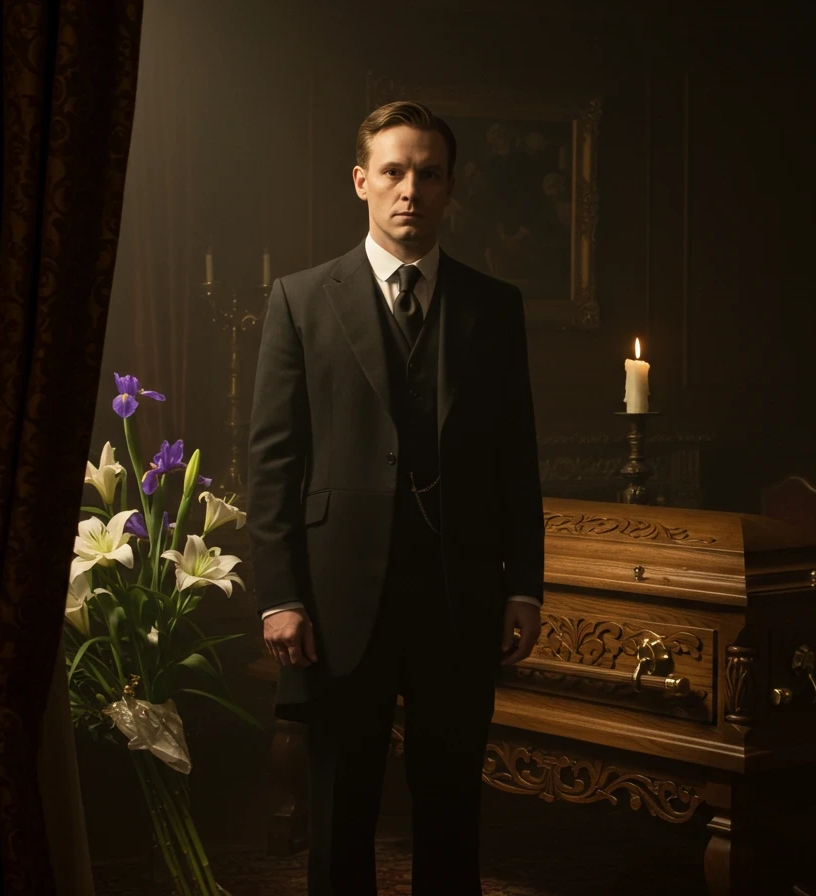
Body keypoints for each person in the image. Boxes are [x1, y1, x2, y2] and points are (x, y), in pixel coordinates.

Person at [246, 101, 545, 895]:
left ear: (450, 189)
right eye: (394, 171)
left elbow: (519, 457)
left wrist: (524, 583)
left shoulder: (495, 306)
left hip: (461, 591)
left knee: (452, 806)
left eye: (429, 173)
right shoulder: (300, 300)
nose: (410, 188)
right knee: (340, 805)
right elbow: (272, 463)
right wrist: (280, 594)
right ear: (361, 181)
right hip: (340, 597)